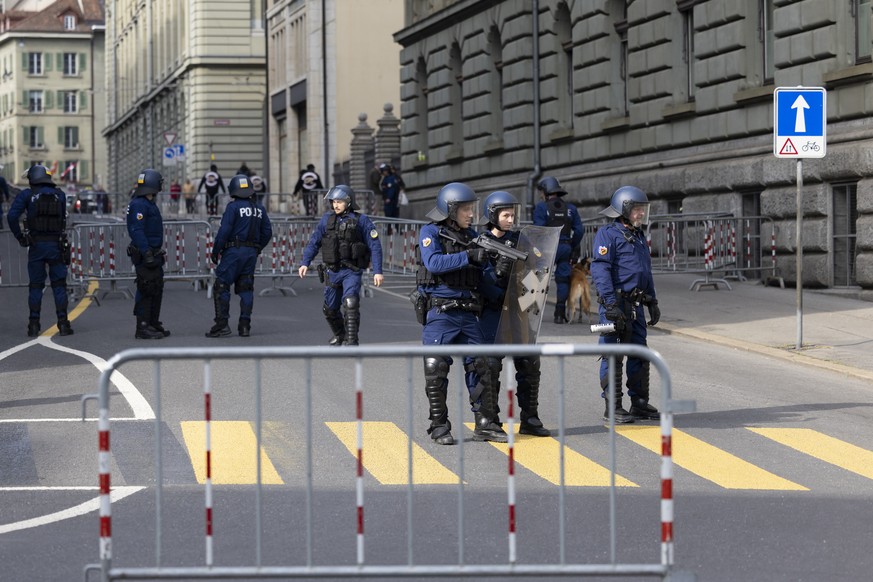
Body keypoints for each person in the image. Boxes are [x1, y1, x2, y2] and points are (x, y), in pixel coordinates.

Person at [413, 182, 505, 445]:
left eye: (471, 209)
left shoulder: (473, 236)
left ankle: (485, 423)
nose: (471, 214)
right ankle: (439, 425)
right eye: (466, 209)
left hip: (468, 313)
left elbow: (481, 279)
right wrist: (469, 256)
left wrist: (501, 291)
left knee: (482, 364)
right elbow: (434, 263)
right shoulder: (430, 232)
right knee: (436, 366)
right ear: (451, 210)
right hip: (441, 311)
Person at [477, 191, 550, 436]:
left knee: (529, 361)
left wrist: (537, 285)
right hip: (493, 311)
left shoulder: (520, 239)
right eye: (506, 215)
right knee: (490, 365)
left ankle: (530, 418)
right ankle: (490, 420)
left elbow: (536, 265)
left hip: (519, 308)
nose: (511, 219)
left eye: (513, 214)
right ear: (492, 215)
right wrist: (497, 282)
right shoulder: (482, 242)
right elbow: (479, 279)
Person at [590, 185, 661, 423]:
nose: (642, 214)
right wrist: (610, 304)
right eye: (637, 209)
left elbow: (645, 271)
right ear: (624, 209)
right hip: (616, 303)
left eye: (643, 209)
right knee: (613, 354)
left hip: (636, 304)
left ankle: (639, 403)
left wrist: (652, 300)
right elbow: (601, 269)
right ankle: (613, 406)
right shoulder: (608, 234)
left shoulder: (638, 235)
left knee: (639, 352)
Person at [298, 185, 383, 346]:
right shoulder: (326, 220)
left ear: (349, 202)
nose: (335, 205)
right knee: (329, 309)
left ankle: (352, 341)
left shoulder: (361, 221)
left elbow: (375, 246)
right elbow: (314, 242)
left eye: (339, 202)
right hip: (332, 270)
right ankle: (340, 334)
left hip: (352, 270)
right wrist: (304, 262)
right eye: (334, 202)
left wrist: (377, 271)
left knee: (351, 302)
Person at [7, 165, 74, 337]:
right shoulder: (60, 195)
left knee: (36, 286)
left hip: (36, 246)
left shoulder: (27, 195)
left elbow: (12, 216)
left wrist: (20, 237)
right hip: (56, 246)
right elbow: (63, 219)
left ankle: (34, 325)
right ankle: (64, 324)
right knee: (59, 285)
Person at [206, 175, 273, 338]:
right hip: (250, 253)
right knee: (246, 287)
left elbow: (224, 231)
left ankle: (222, 324)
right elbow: (267, 233)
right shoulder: (259, 208)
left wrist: (216, 251)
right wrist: (257, 248)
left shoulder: (233, 207)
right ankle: (245, 326)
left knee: (221, 285)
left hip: (233, 252)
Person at [533, 176, 584, 323]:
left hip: (548, 248)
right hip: (565, 246)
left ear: (546, 191)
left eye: (541, 192)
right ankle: (559, 313)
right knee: (563, 280)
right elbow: (579, 231)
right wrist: (572, 246)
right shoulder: (570, 208)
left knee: (538, 277)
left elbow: (538, 230)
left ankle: (531, 312)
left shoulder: (542, 207)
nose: (540, 195)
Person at [126, 169, 170, 340]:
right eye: (159, 182)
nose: (161, 185)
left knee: (156, 287)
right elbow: (136, 230)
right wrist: (146, 252)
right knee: (146, 288)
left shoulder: (149, 203)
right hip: (146, 253)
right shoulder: (139, 204)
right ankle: (142, 326)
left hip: (154, 252)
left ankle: (152, 322)